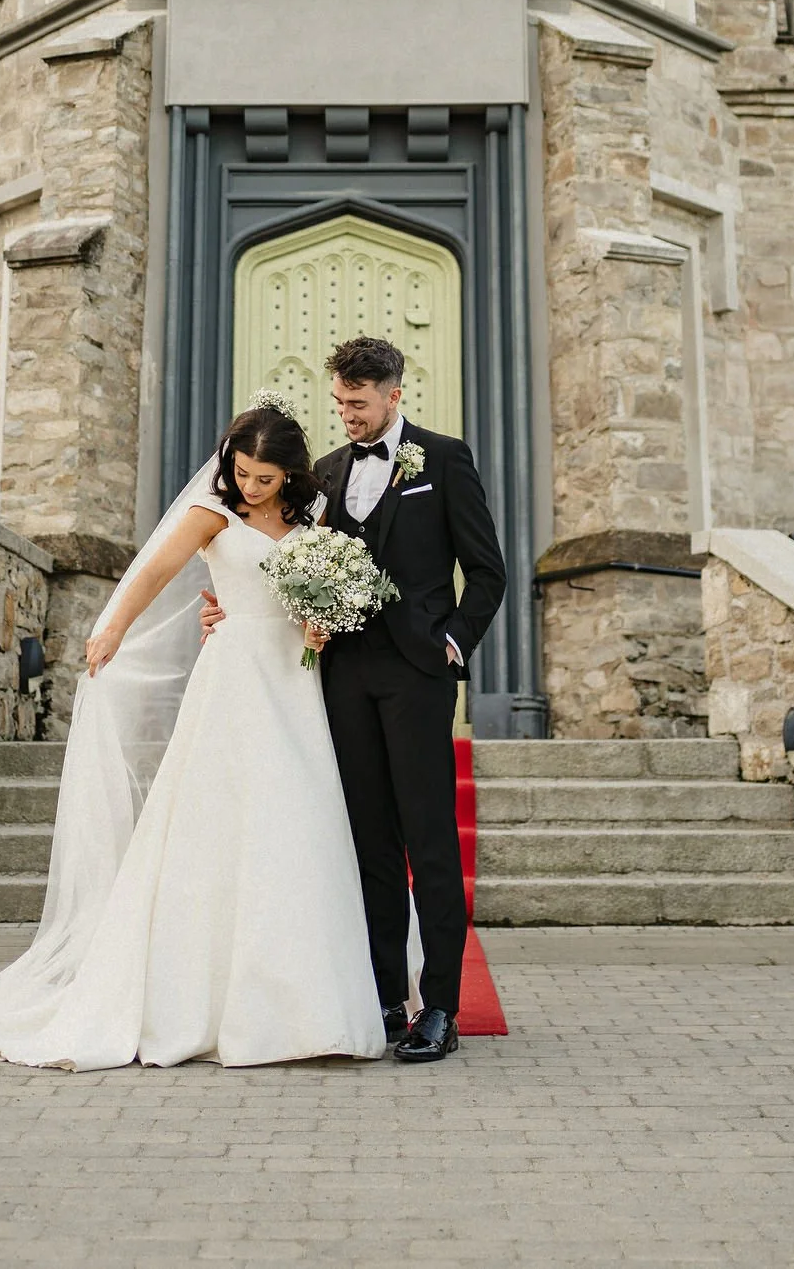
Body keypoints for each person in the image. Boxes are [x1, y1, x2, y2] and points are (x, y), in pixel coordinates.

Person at [0, 400, 384, 1069]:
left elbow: (308, 603)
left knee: (298, 825)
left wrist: (316, 627)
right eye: (241, 472)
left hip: (294, 686)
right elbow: (154, 572)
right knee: (223, 822)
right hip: (234, 681)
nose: (250, 487)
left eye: (264, 479)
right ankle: (208, 1004)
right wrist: (112, 629)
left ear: (291, 476)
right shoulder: (211, 516)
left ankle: (307, 1012)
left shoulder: (315, 521)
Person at [203, 336, 506, 1064]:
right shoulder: (326, 474)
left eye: (360, 404)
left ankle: (439, 1007)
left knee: (430, 843)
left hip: (415, 676)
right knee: (369, 842)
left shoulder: (445, 460)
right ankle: (382, 996)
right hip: (338, 677)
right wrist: (234, 611)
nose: (348, 416)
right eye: (339, 403)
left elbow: (486, 570)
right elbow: (286, 558)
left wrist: (452, 642)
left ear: (395, 396)